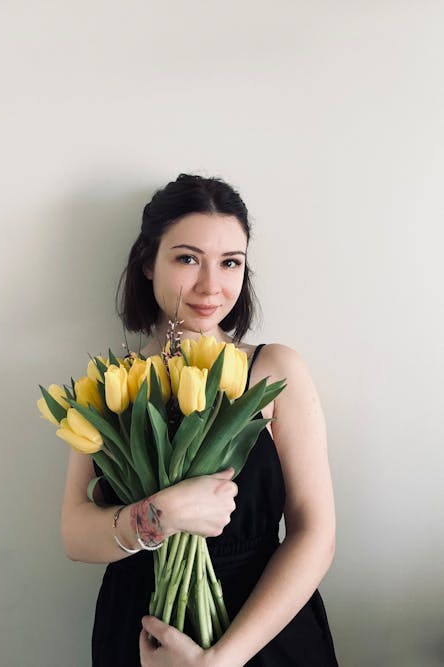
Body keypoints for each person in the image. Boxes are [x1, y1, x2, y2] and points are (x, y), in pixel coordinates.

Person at [61, 173, 338, 666]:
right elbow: (74, 534)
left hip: (263, 625)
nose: (212, 286)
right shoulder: (110, 384)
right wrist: (158, 517)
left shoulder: (273, 369)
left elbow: (315, 533)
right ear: (148, 262)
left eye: (231, 262)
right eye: (187, 258)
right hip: (142, 627)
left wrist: (219, 661)